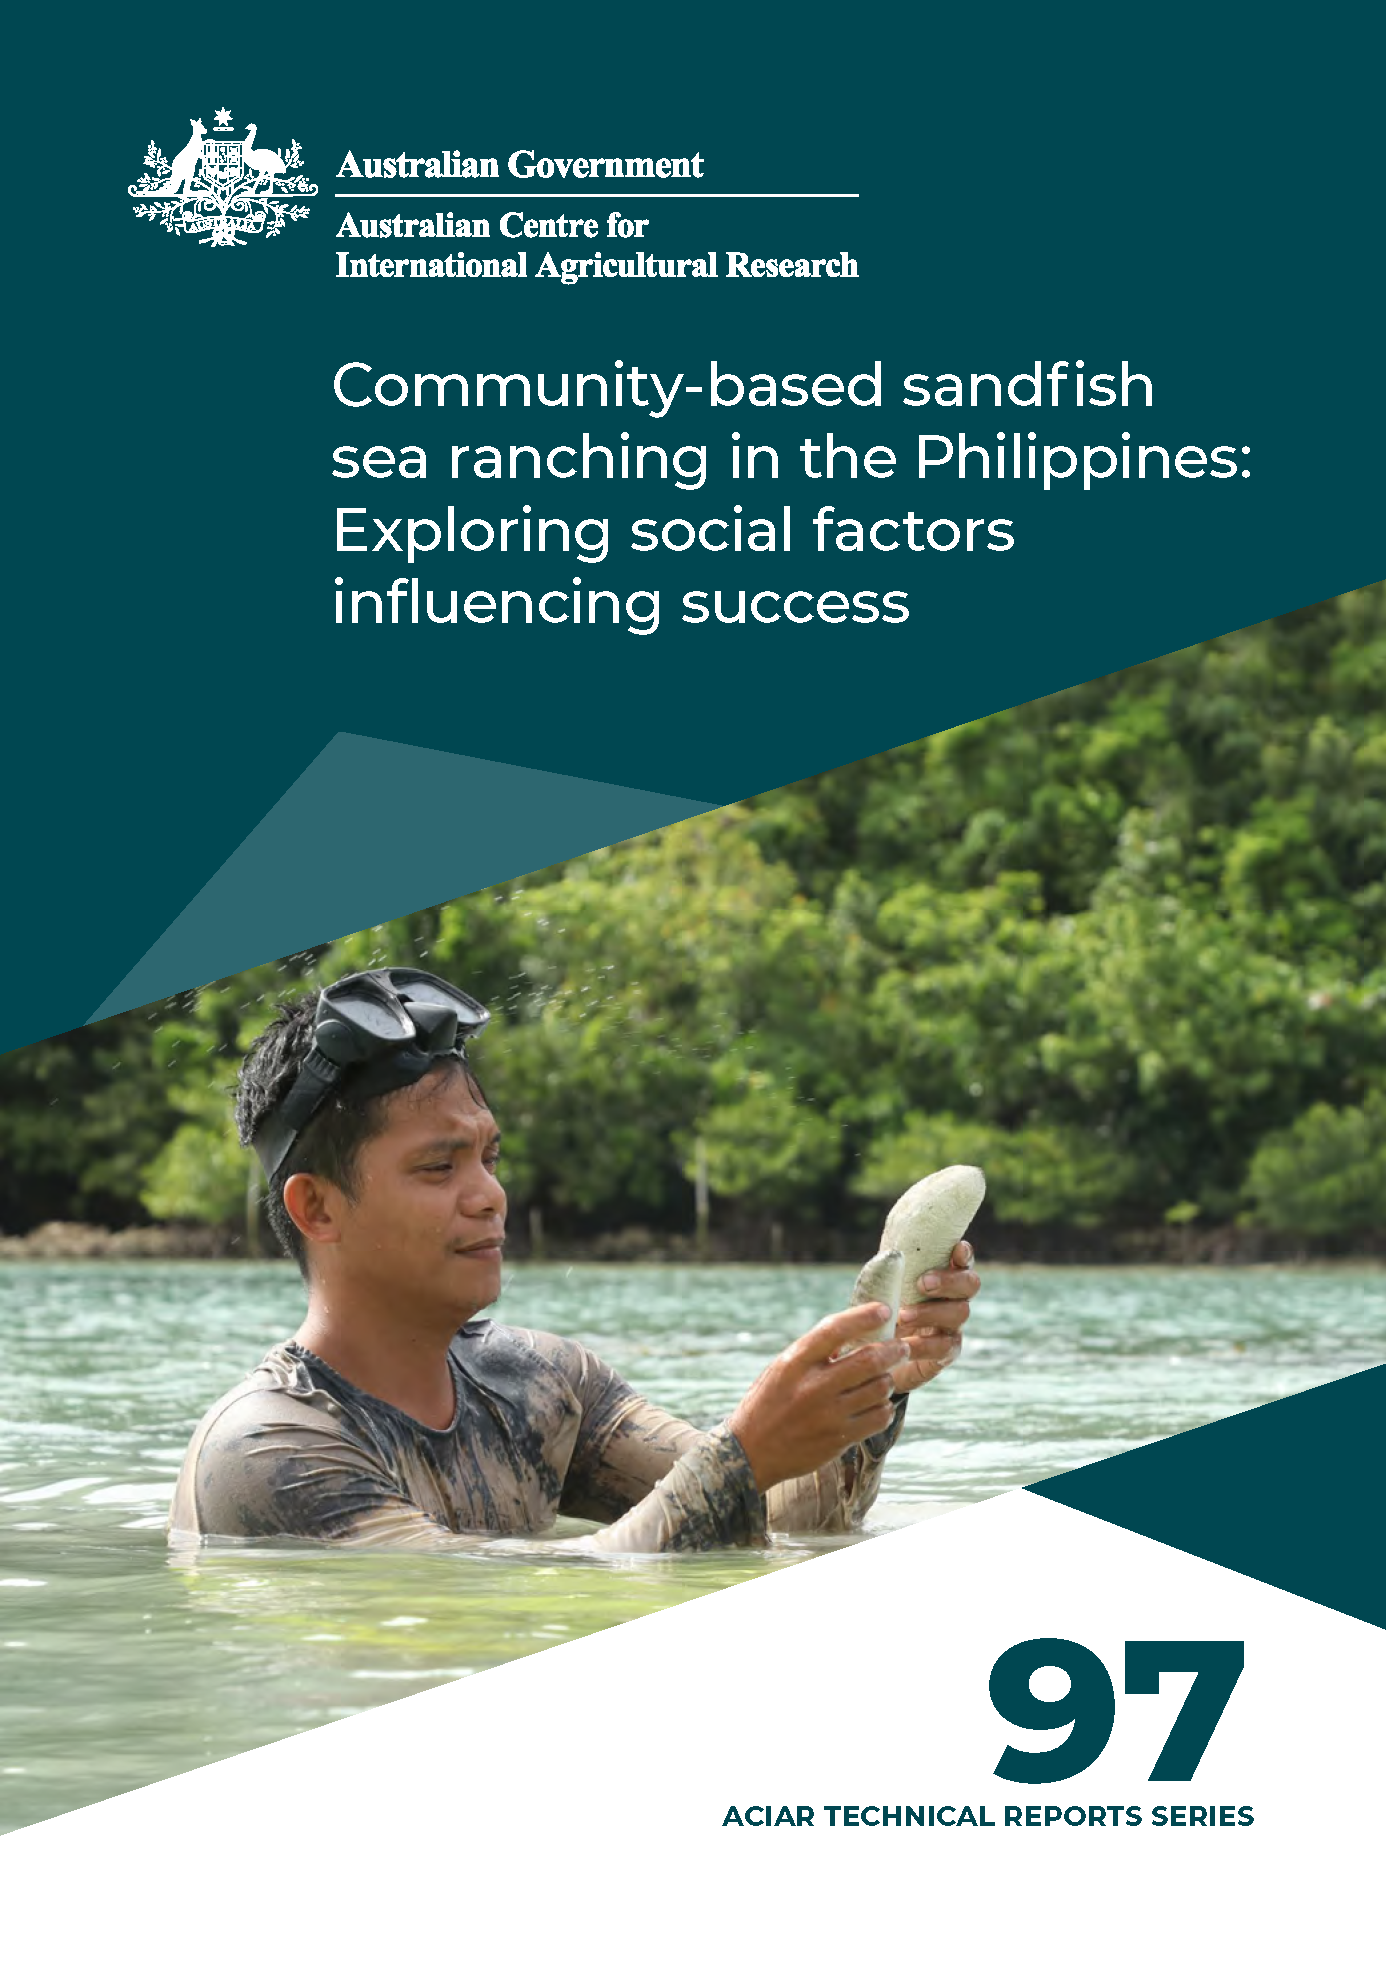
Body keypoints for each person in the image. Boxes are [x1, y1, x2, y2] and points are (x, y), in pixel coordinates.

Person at [169, 968, 979, 1554]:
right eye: (438, 1167)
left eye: (489, 1157)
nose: (490, 1195)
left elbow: (776, 1521)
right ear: (317, 1207)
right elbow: (502, 1620)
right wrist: (741, 1451)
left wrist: (866, 1388)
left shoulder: (540, 1384)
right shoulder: (269, 1451)